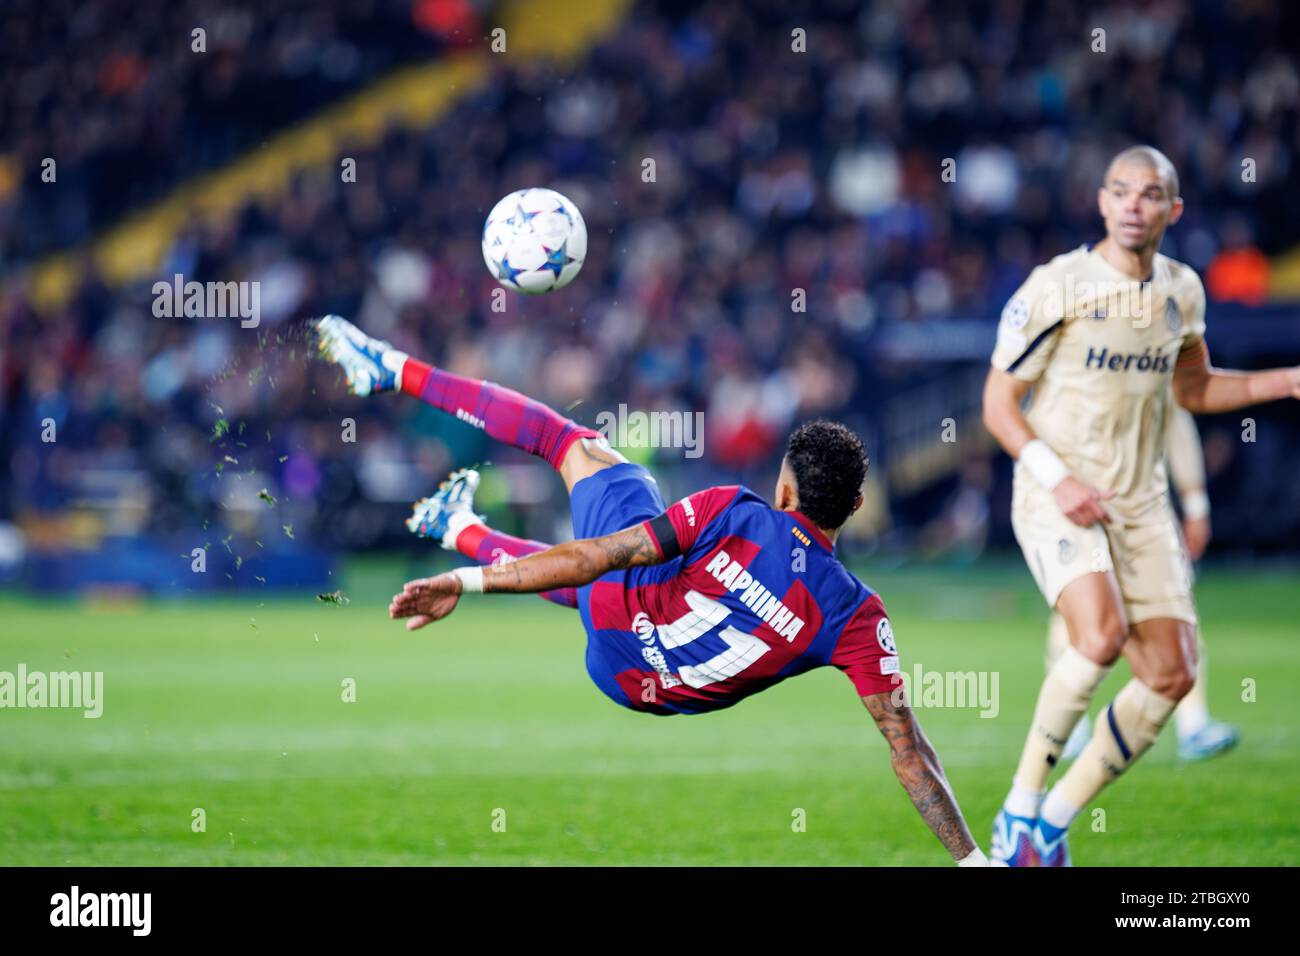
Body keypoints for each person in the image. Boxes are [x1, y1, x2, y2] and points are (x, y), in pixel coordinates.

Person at [316, 314, 988, 865]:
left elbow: (591, 558)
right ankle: (454, 522)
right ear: (856, 505)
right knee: (630, 579)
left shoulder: (737, 510)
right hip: (642, 688)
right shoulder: (858, 619)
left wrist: (468, 581)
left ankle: (391, 370)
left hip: (618, 619)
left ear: (785, 489)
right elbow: (909, 754)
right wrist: (972, 860)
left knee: (571, 444)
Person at [982, 145, 1300, 866]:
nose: (1132, 204)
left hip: (1139, 505)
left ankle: (1053, 826)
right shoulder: (1057, 284)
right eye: (1120, 191)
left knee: (1172, 672)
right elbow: (998, 403)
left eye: (1149, 194)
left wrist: (1285, 381)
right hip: (1057, 492)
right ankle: (1018, 810)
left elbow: (1195, 390)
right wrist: (1055, 476)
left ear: (1172, 210)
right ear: (1101, 203)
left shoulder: (1182, 292)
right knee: (1097, 637)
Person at [1047, 398, 1237, 763]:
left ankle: (1193, 723)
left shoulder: (1154, 354)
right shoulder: (1076, 364)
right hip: (1085, 507)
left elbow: (1177, 425)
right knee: (1074, 611)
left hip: (1147, 509)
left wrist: (1196, 503)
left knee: (1176, 606)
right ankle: (1068, 726)